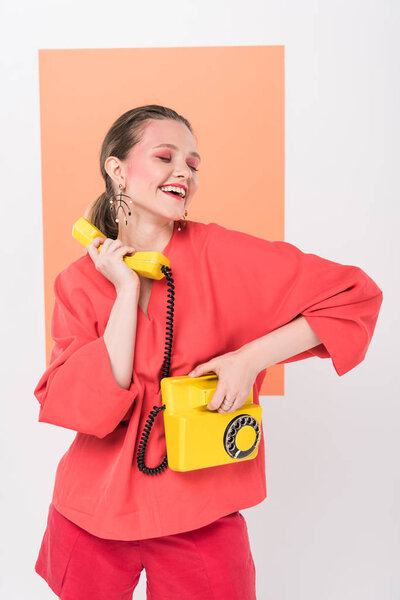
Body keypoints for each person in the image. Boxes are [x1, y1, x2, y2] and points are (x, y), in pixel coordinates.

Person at [33, 105, 383, 599]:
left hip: (202, 513)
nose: (184, 172)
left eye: (193, 165)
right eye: (165, 157)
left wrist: (249, 359)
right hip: (91, 513)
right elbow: (87, 408)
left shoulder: (226, 255)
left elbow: (355, 297)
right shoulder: (77, 281)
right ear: (118, 171)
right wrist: (126, 291)